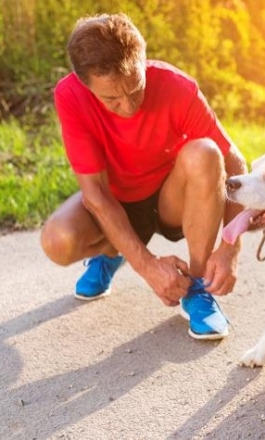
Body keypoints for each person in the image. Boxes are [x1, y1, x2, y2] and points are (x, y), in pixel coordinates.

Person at [39, 13, 247, 340]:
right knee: (57, 240)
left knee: (205, 152)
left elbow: (235, 163)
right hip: (118, 200)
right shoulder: (70, 96)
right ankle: (112, 255)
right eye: (112, 99)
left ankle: (195, 285)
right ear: (86, 85)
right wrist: (147, 266)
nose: (128, 105)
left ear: (143, 60)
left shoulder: (177, 87)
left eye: (136, 89)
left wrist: (231, 246)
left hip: (171, 200)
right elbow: (94, 193)